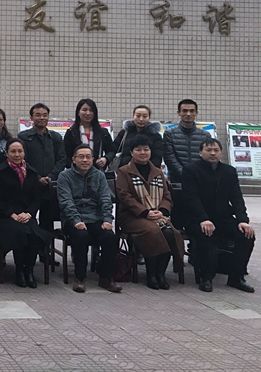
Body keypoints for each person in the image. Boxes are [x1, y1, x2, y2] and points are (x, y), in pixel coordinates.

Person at [182, 138, 255, 293]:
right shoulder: (190, 170)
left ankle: (236, 277)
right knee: (206, 235)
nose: (213, 153)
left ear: (221, 153)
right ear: (200, 152)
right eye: (208, 150)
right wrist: (203, 218)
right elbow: (191, 198)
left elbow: (236, 197)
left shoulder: (229, 171)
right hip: (197, 218)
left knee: (246, 235)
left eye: (216, 150)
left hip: (223, 218)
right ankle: (206, 278)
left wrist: (242, 220)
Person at [116, 135, 184, 290]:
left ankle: (161, 274)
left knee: (170, 233)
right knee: (153, 231)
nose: (143, 153)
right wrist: (145, 212)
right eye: (138, 149)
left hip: (157, 215)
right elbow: (125, 196)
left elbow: (167, 196)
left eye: (146, 149)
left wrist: (162, 211)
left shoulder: (158, 172)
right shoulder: (124, 171)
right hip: (132, 217)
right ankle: (151, 274)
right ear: (132, 152)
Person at [0, 138, 54, 288]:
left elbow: (36, 198)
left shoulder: (32, 172)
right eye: (13, 151)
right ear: (6, 153)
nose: (17, 154)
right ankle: (19, 271)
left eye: (20, 151)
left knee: (35, 234)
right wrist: (11, 214)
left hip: (26, 215)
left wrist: (29, 213)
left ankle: (29, 270)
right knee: (20, 232)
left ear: (24, 153)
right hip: (4, 217)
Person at [57, 145, 121, 293]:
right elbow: (66, 202)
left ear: (93, 159)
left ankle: (106, 277)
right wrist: (76, 220)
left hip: (95, 218)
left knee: (110, 237)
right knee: (81, 236)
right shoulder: (65, 176)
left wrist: (107, 220)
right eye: (81, 157)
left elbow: (105, 199)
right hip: (73, 220)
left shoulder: (99, 176)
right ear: (74, 159)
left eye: (88, 157)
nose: (85, 160)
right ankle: (80, 277)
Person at [18, 103, 66, 232]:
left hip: (50, 186)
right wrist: (37, 177)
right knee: (29, 220)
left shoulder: (55, 137)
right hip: (30, 185)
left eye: (45, 115)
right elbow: (22, 160)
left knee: (47, 222)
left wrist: (50, 177)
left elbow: (62, 159)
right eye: (38, 115)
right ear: (31, 118)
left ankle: (47, 244)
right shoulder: (23, 137)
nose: (42, 118)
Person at [163, 99, 210, 228]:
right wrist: (186, 174)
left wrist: (196, 175)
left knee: (197, 217)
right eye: (184, 111)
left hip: (199, 182)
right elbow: (169, 157)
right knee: (177, 219)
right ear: (178, 113)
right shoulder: (169, 134)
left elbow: (207, 158)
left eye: (191, 111)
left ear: (196, 113)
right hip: (177, 182)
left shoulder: (205, 135)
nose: (188, 114)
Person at [63, 98, 115, 169]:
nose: (88, 113)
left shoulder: (103, 132)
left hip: (97, 170)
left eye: (91, 110)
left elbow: (112, 151)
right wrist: (74, 166)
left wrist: (105, 159)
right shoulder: (71, 132)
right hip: (76, 172)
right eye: (84, 110)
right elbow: (66, 155)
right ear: (78, 112)